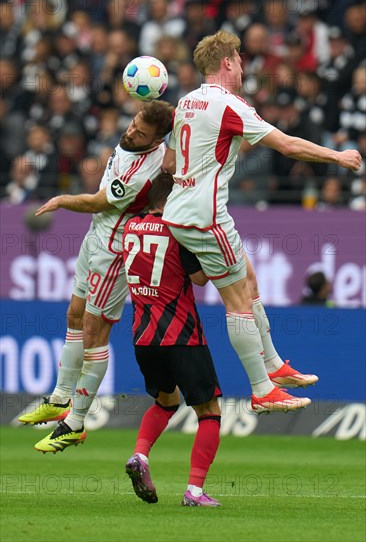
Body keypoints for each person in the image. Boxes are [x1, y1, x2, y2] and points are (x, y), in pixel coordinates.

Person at [162, 30, 361, 411]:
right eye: (239, 59)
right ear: (227, 62)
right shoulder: (228, 104)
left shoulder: (185, 102)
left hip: (182, 212)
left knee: (248, 277)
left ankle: (273, 365)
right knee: (237, 301)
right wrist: (337, 157)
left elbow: (171, 162)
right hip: (206, 217)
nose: (242, 66)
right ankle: (260, 390)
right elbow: (286, 145)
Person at [18, 100, 175, 453]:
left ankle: (75, 423)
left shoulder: (143, 170)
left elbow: (96, 202)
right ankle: (60, 399)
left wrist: (61, 200)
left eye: (142, 133)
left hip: (115, 248)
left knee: (94, 328)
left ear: (155, 142)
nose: (132, 131)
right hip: (96, 237)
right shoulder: (135, 139)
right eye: (134, 123)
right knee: (74, 313)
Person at [123, 173, 222, 507]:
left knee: (166, 400)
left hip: (143, 337)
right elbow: (201, 278)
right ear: (172, 200)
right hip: (182, 335)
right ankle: (194, 491)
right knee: (209, 411)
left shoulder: (130, 228)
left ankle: (140, 455)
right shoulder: (178, 231)